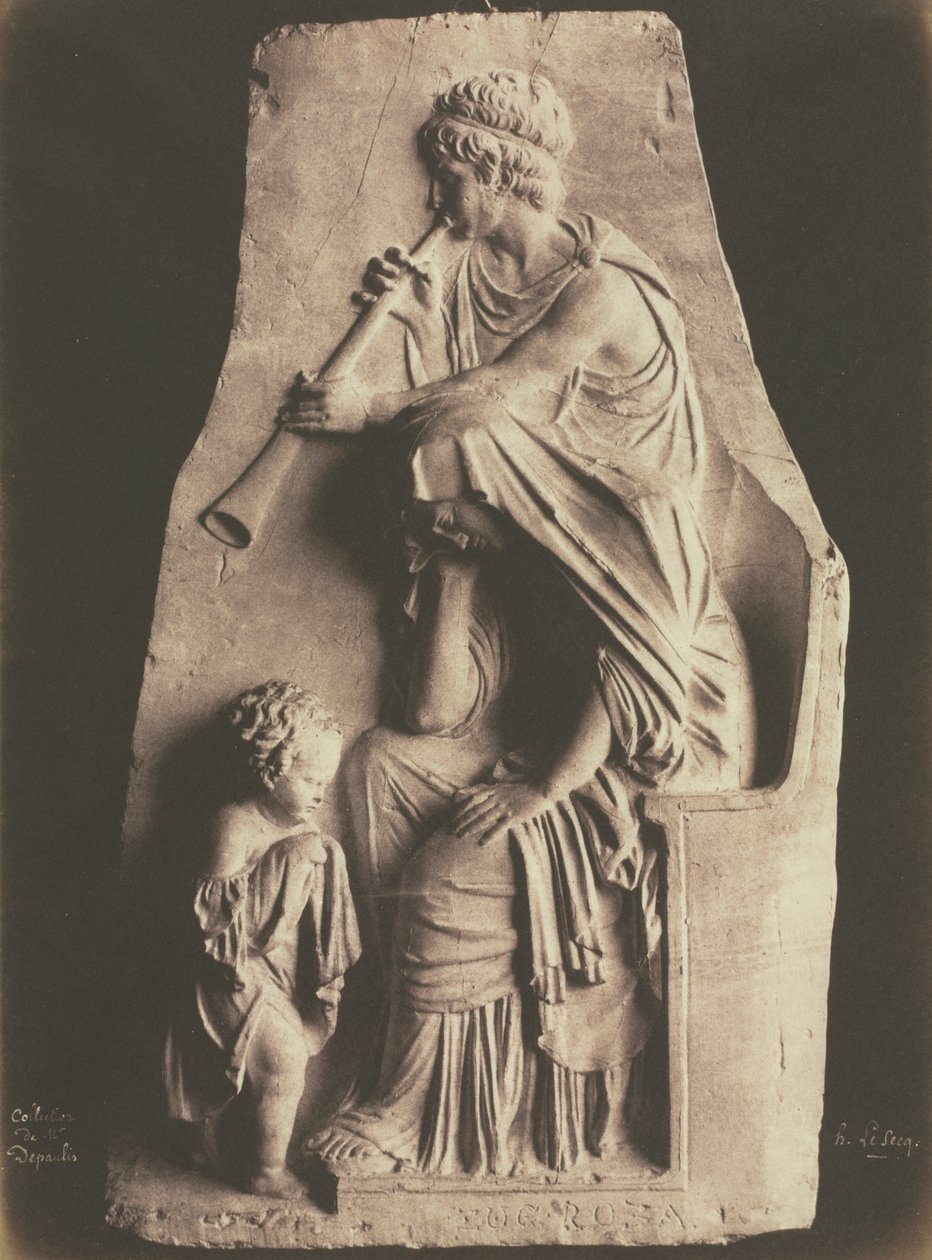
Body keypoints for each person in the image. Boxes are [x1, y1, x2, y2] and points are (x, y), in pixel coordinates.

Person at [281, 70, 756, 1175]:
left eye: (446, 173)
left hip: (641, 731)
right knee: (379, 767)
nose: (433, 194)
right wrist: (453, 562)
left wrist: (545, 786)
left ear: (498, 171)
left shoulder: (606, 329)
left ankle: (404, 1113)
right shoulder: (510, 513)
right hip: (542, 719)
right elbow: (430, 711)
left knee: (454, 872)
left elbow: (631, 656)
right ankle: (378, 1042)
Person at [163, 680, 361, 1197]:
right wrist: (284, 862)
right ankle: (265, 1170)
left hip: (278, 976)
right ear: (270, 769)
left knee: (277, 1066)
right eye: (311, 779)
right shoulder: (234, 827)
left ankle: (222, 1150)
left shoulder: (302, 831)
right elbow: (211, 928)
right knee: (282, 1062)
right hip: (231, 977)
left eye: (326, 781)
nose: (320, 793)